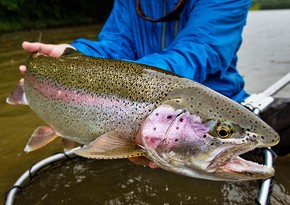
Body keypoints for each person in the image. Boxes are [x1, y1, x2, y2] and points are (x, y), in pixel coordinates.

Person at [20, 0, 252, 167]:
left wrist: (124, 81)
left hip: (218, 113)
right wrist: (78, 55)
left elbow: (201, 49)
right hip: (131, 113)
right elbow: (115, 46)